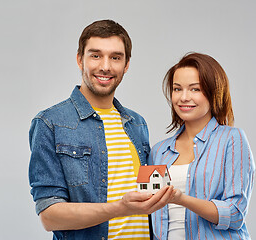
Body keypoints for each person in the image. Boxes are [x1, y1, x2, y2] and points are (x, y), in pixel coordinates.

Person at [28, 19, 175, 240]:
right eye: (95, 55)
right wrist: (120, 208)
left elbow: (151, 194)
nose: (105, 66)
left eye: (115, 57)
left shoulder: (137, 124)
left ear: (126, 65)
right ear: (80, 60)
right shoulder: (50, 123)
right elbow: (50, 216)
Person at [149, 52, 255, 239]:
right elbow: (153, 215)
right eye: (177, 89)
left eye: (195, 89)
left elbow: (235, 214)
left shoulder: (232, 139)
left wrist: (181, 199)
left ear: (213, 91)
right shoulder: (159, 151)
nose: (183, 97)